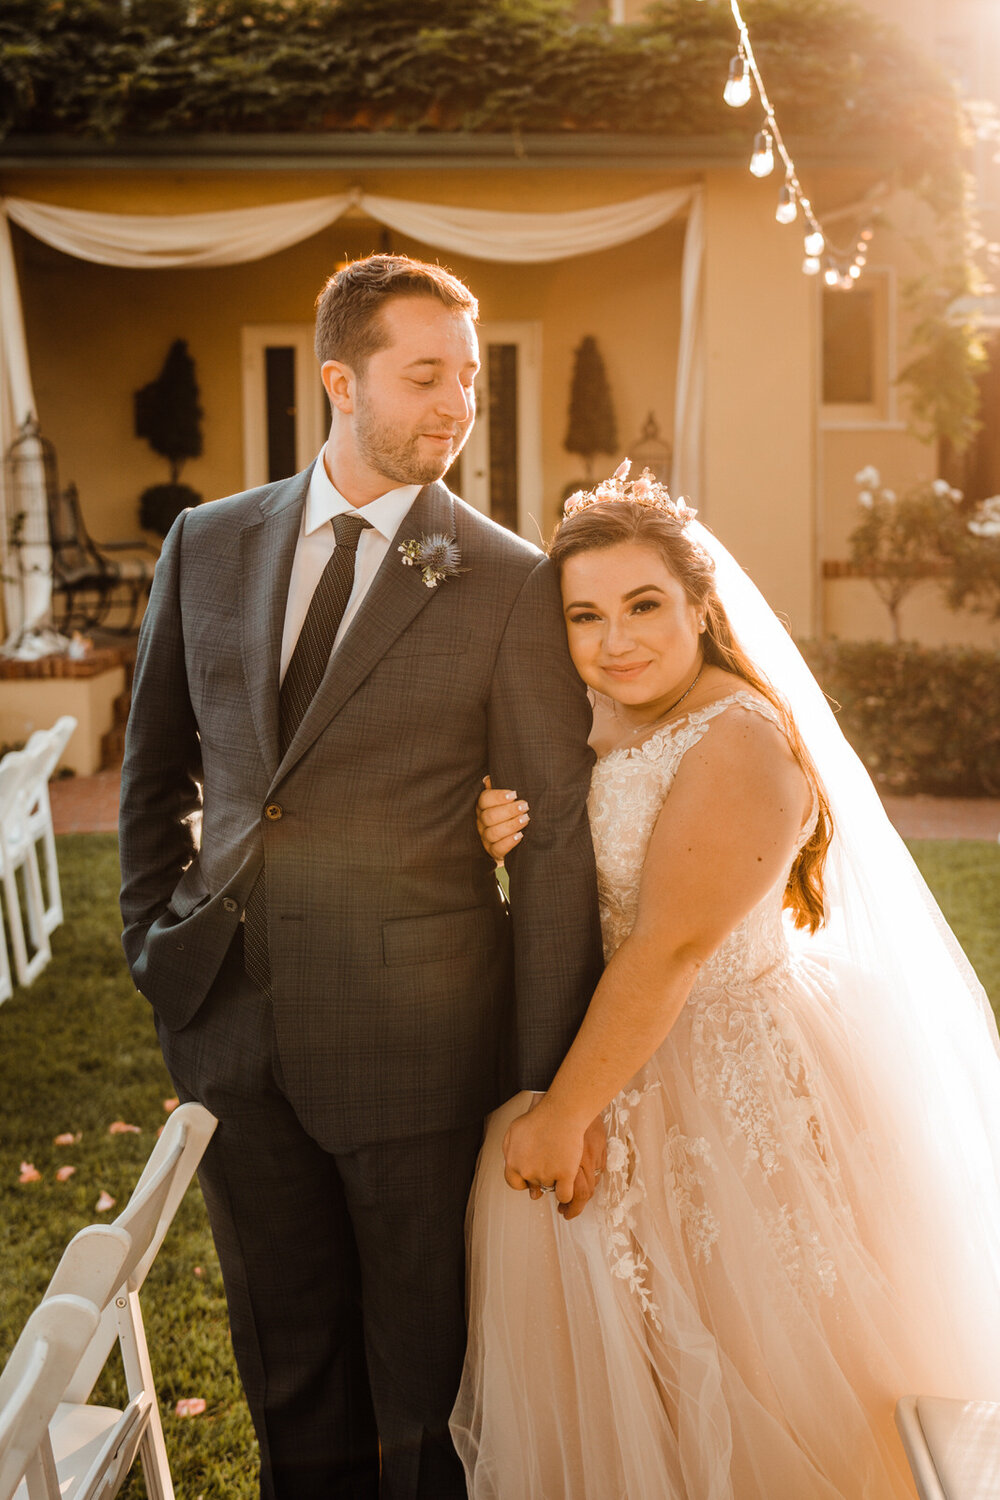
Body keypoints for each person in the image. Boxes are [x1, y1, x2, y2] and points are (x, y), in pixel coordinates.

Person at [118, 253, 605, 1500]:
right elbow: (156, 766)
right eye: (425, 375)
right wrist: (156, 950)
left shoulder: (508, 580)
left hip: (420, 1046)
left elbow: (549, 839)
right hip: (228, 1025)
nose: (456, 404)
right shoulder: (208, 543)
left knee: (425, 1382)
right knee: (286, 1361)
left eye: (471, 380)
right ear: (340, 379)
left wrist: (544, 1076)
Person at [451, 462, 1000, 1499]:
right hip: (635, 1042)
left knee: (760, 1366)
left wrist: (566, 1112)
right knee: (648, 1382)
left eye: (645, 605)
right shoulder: (615, 713)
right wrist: (500, 829)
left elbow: (665, 951)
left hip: (723, 1071)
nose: (616, 641)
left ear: (702, 605)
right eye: (586, 616)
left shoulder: (739, 741)